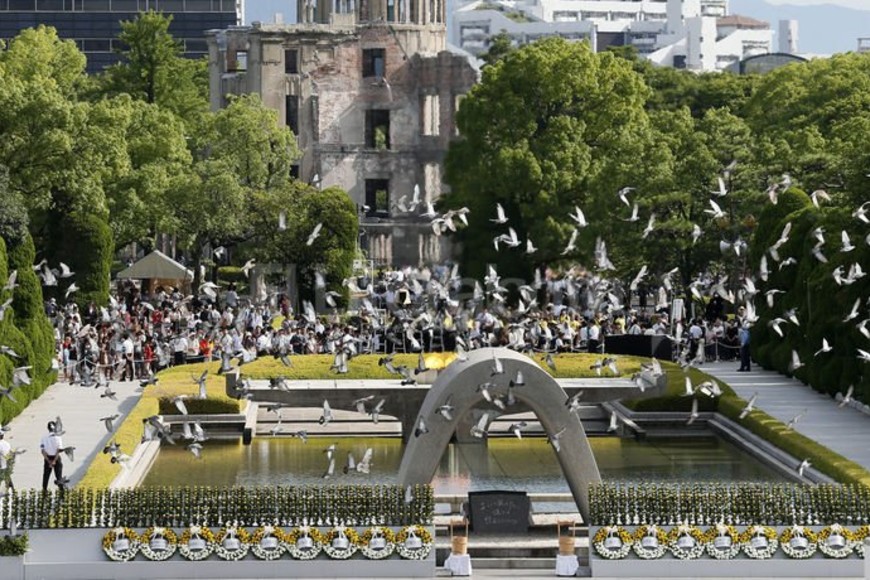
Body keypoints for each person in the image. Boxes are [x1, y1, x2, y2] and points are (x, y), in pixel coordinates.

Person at [40, 421, 64, 492]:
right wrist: (54, 461)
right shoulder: (58, 437)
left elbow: (43, 451)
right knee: (59, 477)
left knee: (46, 477)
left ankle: (44, 493)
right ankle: (61, 494)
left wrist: (49, 461)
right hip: (56, 458)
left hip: (47, 458)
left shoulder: (44, 437)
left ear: (48, 428)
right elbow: (58, 450)